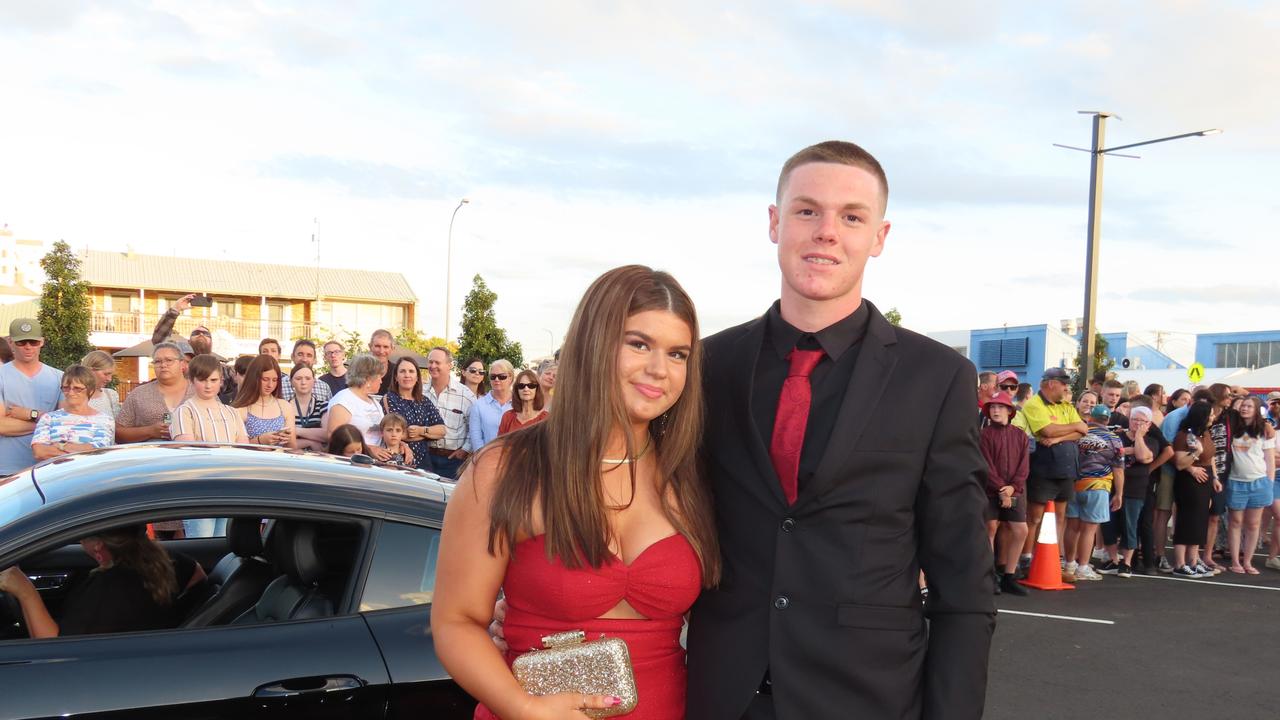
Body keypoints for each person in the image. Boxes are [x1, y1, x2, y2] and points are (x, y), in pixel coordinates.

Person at [686, 141, 992, 719]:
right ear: (775, 223)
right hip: (720, 695)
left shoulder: (937, 377)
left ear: (879, 237)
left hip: (867, 698)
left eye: (852, 216)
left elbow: (963, 580)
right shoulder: (707, 366)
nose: (827, 231)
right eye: (807, 211)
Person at [433, 265, 717, 720]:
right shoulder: (506, 468)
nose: (659, 369)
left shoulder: (691, 475)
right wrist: (525, 708)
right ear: (594, 344)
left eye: (678, 354)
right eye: (639, 344)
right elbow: (455, 622)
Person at [0, 525, 179, 637]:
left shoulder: (109, 588)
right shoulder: (163, 560)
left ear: (98, 545)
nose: (79, 540)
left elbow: (55, 652)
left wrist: (25, 592)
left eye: (82, 535)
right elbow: (197, 575)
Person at [1019, 367, 1088, 573]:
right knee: (1035, 516)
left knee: (1060, 516)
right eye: (1064, 384)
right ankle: (1026, 557)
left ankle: (1052, 557)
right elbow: (1046, 430)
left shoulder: (1065, 405)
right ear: (1051, 384)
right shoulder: (1034, 404)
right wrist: (1070, 428)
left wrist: (1058, 437)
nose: (1067, 388)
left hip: (1066, 468)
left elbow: (1083, 429)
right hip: (1043, 467)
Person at [1063, 404, 1124, 582]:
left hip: (1074, 484)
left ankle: (1069, 564)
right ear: (1108, 419)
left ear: (1091, 417)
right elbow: (1119, 469)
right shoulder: (1114, 439)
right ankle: (1083, 567)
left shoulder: (1078, 434)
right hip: (1098, 486)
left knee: (1072, 527)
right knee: (1089, 530)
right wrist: (1119, 493)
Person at [1111, 403, 1171, 576]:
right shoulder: (1118, 435)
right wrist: (1128, 450)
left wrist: (1137, 438)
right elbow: (1112, 451)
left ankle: (1127, 562)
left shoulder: (1151, 440)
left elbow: (1144, 457)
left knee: (1131, 525)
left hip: (1135, 488)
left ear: (1149, 424)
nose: (1137, 423)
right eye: (1134, 419)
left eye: (1142, 421)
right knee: (1109, 525)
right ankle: (1112, 559)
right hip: (1112, 485)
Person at [980, 391, 1028, 596]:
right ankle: (989, 576)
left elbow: (1024, 465)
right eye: (992, 407)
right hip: (990, 490)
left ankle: (1009, 575)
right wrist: (1001, 489)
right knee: (990, 527)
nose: (996, 410)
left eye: (1000, 406)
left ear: (1010, 410)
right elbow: (985, 465)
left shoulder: (1020, 435)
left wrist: (1012, 488)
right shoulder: (983, 434)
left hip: (1014, 489)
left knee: (1021, 529)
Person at [0, 318, 63, 474]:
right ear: (11, 342)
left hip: (48, 468)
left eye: (33, 342)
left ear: (42, 342)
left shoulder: (59, 378)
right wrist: (46, 423)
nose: (28, 347)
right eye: (21, 342)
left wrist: (30, 414)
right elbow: (2, 426)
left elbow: (63, 424)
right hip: (7, 469)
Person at [150, 294, 234, 403]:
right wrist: (176, 309)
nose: (201, 334)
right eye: (196, 333)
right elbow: (159, 340)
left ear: (211, 343)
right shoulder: (179, 366)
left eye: (205, 333)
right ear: (189, 341)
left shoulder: (224, 371)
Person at [1171, 401, 1221, 578]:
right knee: (1187, 521)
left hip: (1205, 480)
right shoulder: (1185, 436)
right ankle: (1179, 563)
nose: (1213, 417)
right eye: (1211, 415)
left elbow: (1212, 457)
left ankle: (1193, 560)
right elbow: (1179, 463)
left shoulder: (1205, 433)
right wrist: (1195, 455)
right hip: (1189, 482)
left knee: (1199, 521)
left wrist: (1214, 477)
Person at [1226, 396, 1275, 574]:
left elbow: (1269, 459)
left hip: (1259, 481)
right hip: (1236, 481)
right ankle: (1235, 561)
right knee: (1235, 522)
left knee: (1253, 524)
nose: (1245, 408)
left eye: (1249, 406)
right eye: (1243, 406)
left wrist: (1269, 482)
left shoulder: (1264, 430)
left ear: (1256, 410)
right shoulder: (1231, 427)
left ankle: (1247, 561)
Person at [31, 364, 115, 460]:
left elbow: (98, 453)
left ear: (90, 390)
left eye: (77, 389)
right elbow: (39, 452)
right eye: (66, 388)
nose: (71, 393)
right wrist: (81, 448)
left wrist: (61, 445)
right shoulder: (48, 418)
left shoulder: (104, 420)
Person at [116, 342, 192, 444]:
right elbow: (118, 433)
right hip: (150, 456)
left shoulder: (199, 391)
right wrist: (149, 431)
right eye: (157, 361)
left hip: (193, 456)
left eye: (169, 360)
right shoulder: (139, 394)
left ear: (182, 364)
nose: (163, 365)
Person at [383, 356, 445, 470]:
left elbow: (442, 430)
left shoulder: (424, 401)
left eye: (411, 371)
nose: (407, 375)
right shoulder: (390, 398)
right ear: (396, 377)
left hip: (423, 461)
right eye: (402, 371)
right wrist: (427, 435)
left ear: (417, 377)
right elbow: (398, 433)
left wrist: (421, 430)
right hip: (399, 458)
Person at [170, 354, 248, 444]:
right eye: (202, 380)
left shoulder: (233, 413)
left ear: (221, 381)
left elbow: (242, 449)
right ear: (191, 381)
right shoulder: (184, 412)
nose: (208, 386)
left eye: (213, 380)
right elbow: (187, 450)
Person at [325, 353, 388, 460]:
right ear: (368, 379)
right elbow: (334, 437)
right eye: (379, 377)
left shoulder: (374, 402)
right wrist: (368, 449)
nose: (381, 381)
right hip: (355, 463)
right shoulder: (344, 400)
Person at [424, 347, 473, 478]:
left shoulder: (466, 395)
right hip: (424, 457)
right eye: (430, 362)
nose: (433, 366)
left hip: (452, 461)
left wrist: (465, 450)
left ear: (449, 365)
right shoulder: (420, 392)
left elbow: (473, 427)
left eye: (437, 362)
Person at [232, 355, 296, 449]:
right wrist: (260, 440)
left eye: (274, 380)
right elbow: (234, 447)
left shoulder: (285, 406)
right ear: (254, 378)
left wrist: (287, 439)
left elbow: (293, 447)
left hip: (280, 461)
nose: (270, 385)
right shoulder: (240, 409)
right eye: (265, 379)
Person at [468, 359, 514, 451]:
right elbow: (476, 441)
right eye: (493, 376)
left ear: (510, 378)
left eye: (502, 376)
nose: (497, 379)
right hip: (487, 459)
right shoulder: (479, 405)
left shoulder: (521, 403)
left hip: (515, 460)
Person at [279, 339, 332, 408]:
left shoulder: (324, 388)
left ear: (314, 360)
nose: (304, 359)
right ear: (292, 357)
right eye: (300, 354)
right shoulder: (279, 386)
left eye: (309, 355)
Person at [287, 364, 328, 451]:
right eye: (298, 379)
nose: (303, 382)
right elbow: (282, 442)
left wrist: (295, 431)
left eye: (308, 378)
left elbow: (327, 435)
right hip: (291, 459)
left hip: (316, 461)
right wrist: (310, 442)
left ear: (314, 381)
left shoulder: (323, 406)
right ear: (291, 382)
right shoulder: (284, 407)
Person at [498, 369, 548, 436]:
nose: (526, 389)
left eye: (531, 386)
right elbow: (499, 444)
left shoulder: (546, 419)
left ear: (537, 389)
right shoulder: (507, 417)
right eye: (521, 386)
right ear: (517, 390)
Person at [80, 350, 121, 419]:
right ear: (90, 371)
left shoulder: (111, 395)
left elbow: (116, 426)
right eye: (106, 374)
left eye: (111, 375)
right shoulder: (71, 395)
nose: (109, 379)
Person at [369, 329, 397, 398]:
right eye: (377, 346)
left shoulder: (398, 371)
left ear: (392, 349)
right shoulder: (360, 371)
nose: (381, 351)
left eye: (385, 347)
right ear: (370, 347)